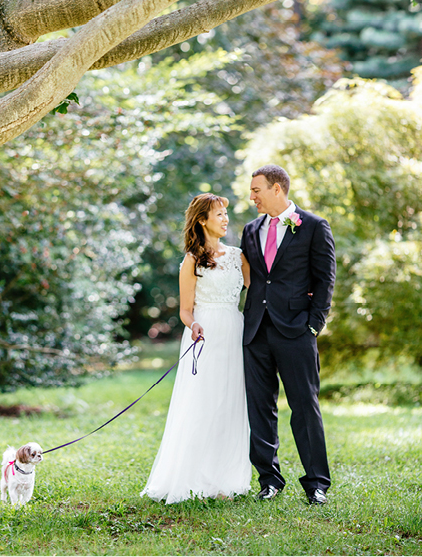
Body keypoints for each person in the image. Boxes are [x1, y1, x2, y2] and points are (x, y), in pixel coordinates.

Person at [142, 193, 252, 503]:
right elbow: (185, 310)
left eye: (225, 215)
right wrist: (193, 326)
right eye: (219, 214)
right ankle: (195, 478)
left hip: (234, 330)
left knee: (231, 402)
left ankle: (224, 480)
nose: (225, 220)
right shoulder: (192, 260)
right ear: (202, 220)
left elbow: (257, 288)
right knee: (204, 403)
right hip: (204, 335)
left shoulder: (238, 255)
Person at [242, 164, 335, 505]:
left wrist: (314, 324)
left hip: (296, 330)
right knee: (260, 409)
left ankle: (316, 484)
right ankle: (269, 479)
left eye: (257, 190)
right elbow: (254, 280)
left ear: (277, 189)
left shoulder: (313, 226)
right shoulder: (250, 230)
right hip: (255, 332)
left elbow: (325, 279)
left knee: (304, 406)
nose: (252, 197)